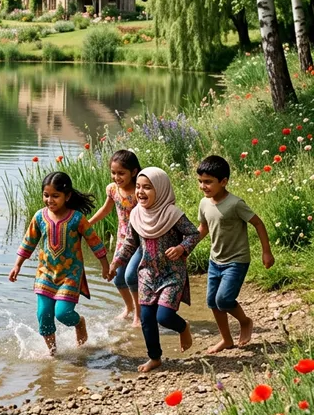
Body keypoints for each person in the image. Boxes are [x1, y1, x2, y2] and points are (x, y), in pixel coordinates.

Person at [107, 167, 201, 372]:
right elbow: (130, 243)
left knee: (164, 316)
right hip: (147, 274)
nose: (140, 192)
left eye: (147, 187)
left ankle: (183, 327)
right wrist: (115, 263)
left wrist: (181, 248)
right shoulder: (136, 215)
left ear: (161, 189)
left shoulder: (173, 214)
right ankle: (155, 358)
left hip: (172, 273)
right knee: (146, 319)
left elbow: (193, 234)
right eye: (138, 187)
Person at [9, 171, 109, 355]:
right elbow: (28, 242)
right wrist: (17, 265)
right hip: (45, 273)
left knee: (63, 313)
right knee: (43, 315)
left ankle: (79, 323)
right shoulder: (39, 217)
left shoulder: (77, 219)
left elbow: (94, 241)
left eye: (55, 196)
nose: (50, 200)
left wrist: (105, 265)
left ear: (67, 196)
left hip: (70, 274)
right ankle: (53, 355)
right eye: (46, 195)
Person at [197, 155, 274, 354]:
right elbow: (203, 228)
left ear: (223, 182)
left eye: (208, 182)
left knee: (223, 300)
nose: (203, 186)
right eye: (200, 181)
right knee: (212, 302)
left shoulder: (235, 203)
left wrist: (266, 252)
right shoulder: (204, 203)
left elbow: (258, 223)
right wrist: (185, 248)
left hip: (236, 261)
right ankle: (226, 339)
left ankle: (245, 321)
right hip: (215, 260)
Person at [89, 150, 141, 326]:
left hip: (139, 241)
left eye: (121, 173)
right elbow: (105, 209)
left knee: (131, 276)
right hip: (122, 239)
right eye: (113, 172)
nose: (116, 177)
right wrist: (89, 223)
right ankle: (129, 307)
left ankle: (139, 314)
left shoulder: (139, 191)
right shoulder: (113, 189)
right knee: (118, 278)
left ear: (133, 172)